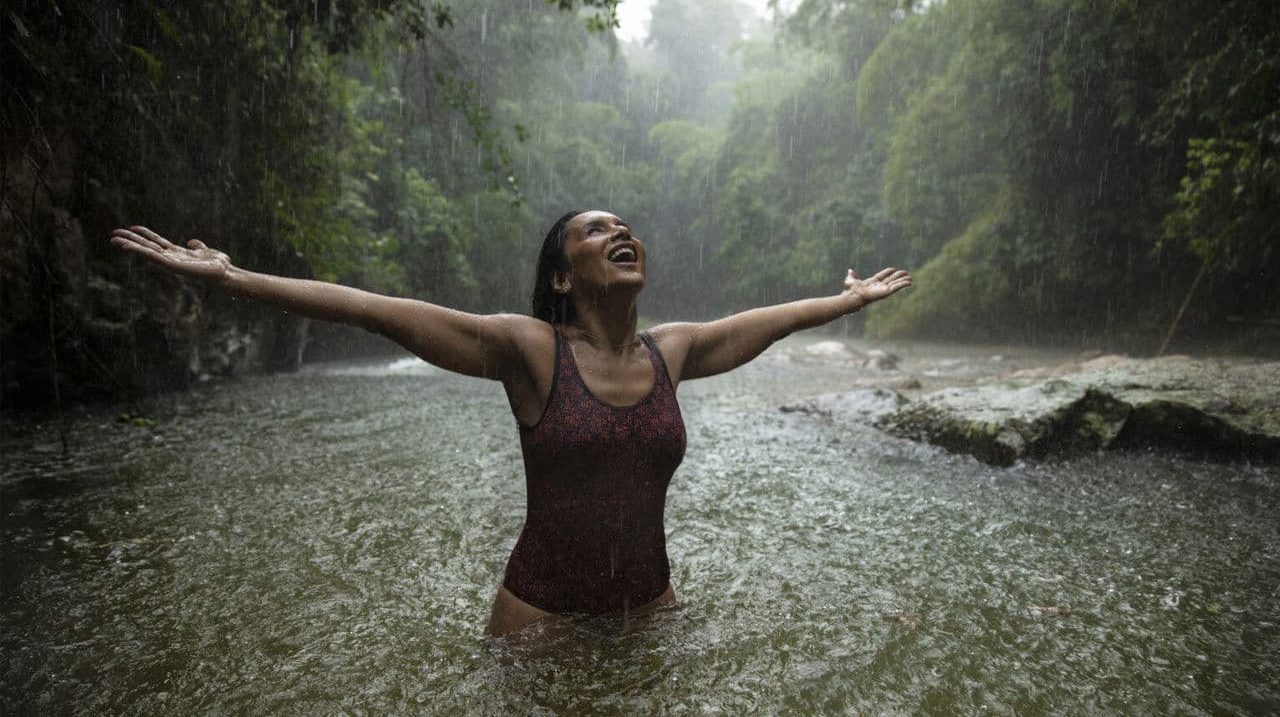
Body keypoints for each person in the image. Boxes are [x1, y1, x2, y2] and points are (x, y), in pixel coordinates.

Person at [110, 210, 912, 636]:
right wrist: (233, 277)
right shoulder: (528, 351)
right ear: (564, 277)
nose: (621, 233)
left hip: (650, 613)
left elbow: (765, 320)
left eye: (625, 226)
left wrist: (845, 302)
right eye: (598, 231)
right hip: (541, 623)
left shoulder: (673, 352)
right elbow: (376, 311)